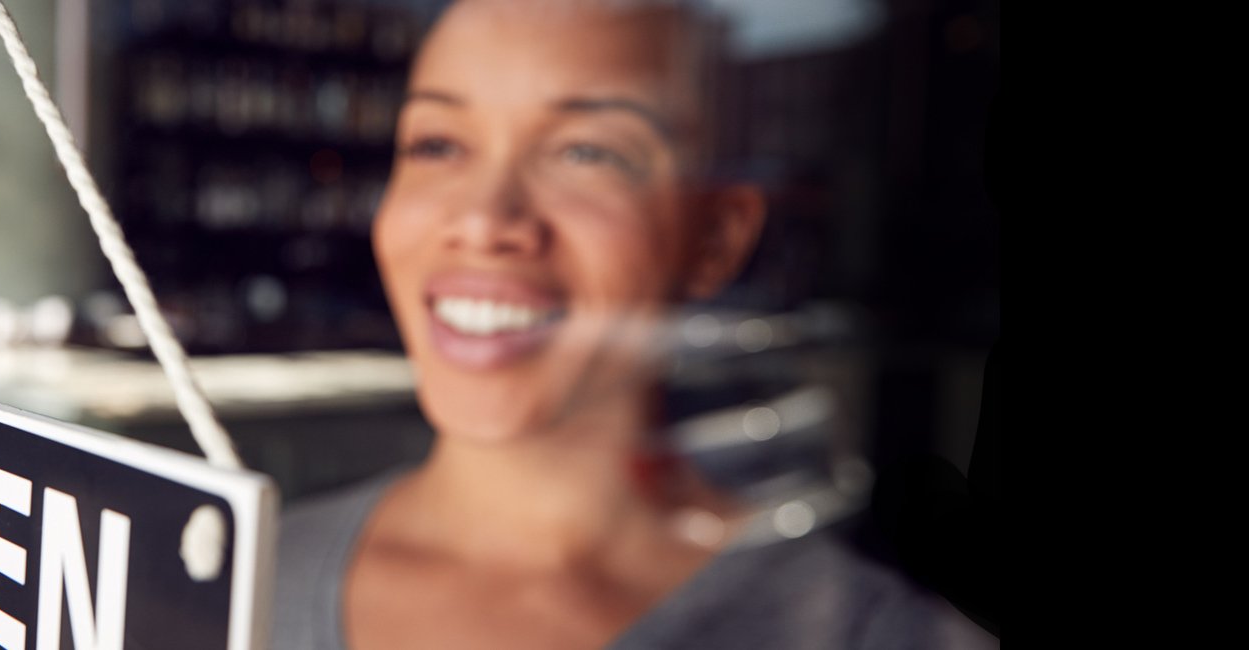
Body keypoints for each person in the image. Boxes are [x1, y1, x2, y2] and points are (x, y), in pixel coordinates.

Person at [272, 1, 996, 648]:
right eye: (437, 144)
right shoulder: (231, 579)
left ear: (714, 237)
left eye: (587, 151)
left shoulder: (875, 637)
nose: (484, 221)